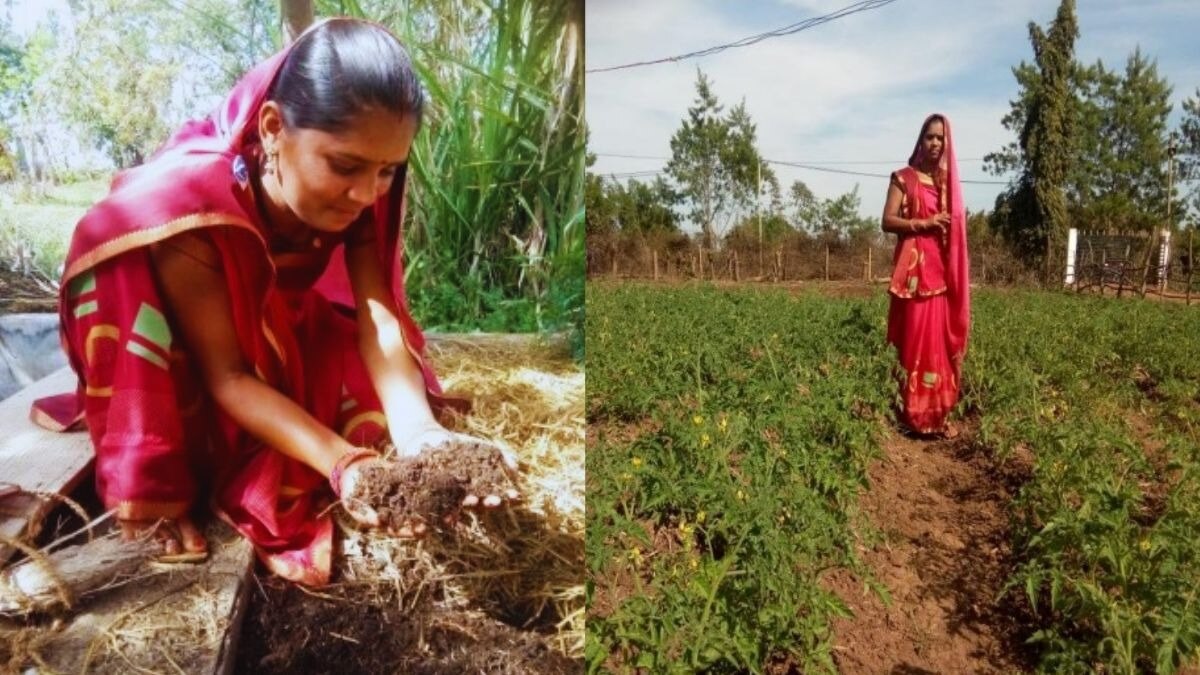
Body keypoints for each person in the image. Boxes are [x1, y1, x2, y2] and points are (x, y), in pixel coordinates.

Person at [32, 18, 516, 586]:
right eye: (345, 166)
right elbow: (230, 375)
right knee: (129, 291)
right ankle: (152, 481)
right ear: (272, 127)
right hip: (181, 352)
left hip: (263, 331)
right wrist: (345, 463)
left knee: (365, 388)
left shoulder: (360, 196)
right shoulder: (192, 209)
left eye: (387, 170)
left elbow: (377, 320)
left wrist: (419, 433)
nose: (366, 194)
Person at [880, 113, 970, 438]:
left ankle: (938, 415)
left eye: (941, 138)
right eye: (930, 137)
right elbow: (887, 221)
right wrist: (923, 223)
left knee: (938, 346)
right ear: (921, 139)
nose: (935, 143)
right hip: (914, 275)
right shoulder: (904, 178)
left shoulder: (948, 184)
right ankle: (910, 414)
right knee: (913, 342)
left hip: (940, 275)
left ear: (948, 144)